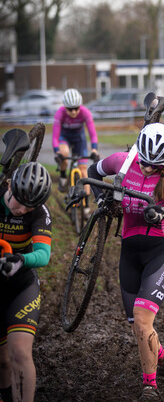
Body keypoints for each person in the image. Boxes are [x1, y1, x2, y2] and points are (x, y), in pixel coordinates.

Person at [88, 122, 164, 400]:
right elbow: (92, 172)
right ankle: (159, 353)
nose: (146, 169)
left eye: (153, 166)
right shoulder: (122, 162)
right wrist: (101, 200)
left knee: (144, 320)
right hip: (130, 251)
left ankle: (149, 387)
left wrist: (163, 213)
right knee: (137, 325)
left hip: (161, 249)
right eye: (143, 162)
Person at [0, 162, 52, 402]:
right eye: (19, 201)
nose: (21, 210)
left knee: (19, 353)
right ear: (9, 185)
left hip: (21, 285)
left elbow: (43, 254)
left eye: (28, 207)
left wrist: (21, 259)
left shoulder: (39, 212)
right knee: (3, 363)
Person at [52, 88, 99, 219]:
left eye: (76, 108)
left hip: (80, 140)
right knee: (65, 154)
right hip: (64, 138)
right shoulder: (60, 113)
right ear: (65, 107)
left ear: (80, 106)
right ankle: (62, 178)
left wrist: (94, 149)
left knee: (84, 171)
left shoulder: (85, 112)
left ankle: (86, 208)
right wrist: (57, 152)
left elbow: (92, 133)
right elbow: (55, 137)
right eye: (70, 109)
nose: (73, 112)